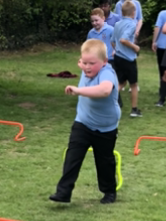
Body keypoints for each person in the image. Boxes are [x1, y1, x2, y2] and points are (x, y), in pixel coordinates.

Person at [50, 40, 121, 206]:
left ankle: (109, 191)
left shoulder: (107, 73)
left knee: (104, 161)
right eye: (84, 63)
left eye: (92, 63)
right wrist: (83, 63)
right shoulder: (87, 68)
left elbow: (104, 90)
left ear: (104, 61)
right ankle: (63, 192)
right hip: (83, 122)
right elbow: (85, 63)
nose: (87, 67)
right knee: (73, 156)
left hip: (105, 127)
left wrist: (78, 90)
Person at [113, 2, 142, 118]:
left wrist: (118, 50)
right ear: (133, 13)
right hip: (128, 59)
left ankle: (107, 101)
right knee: (133, 84)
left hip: (118, 57)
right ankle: (134, 110)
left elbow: (113, 41)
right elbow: (123, 39)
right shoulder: (132, 24)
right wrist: (135, 47)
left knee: (121, 83)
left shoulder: (117, 24)